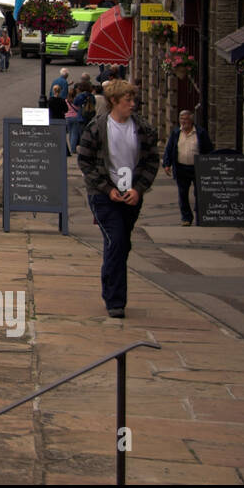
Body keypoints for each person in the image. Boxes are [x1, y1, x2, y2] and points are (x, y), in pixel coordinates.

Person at [76, 79, 161, 318]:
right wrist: (106, 189)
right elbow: (85, 161)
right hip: (104, 197)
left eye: (133, 100)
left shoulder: (142, 128)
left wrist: (139, 189)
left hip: (131, 195)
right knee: (117, 242)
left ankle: (112, 288)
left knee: (120, 244)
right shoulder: (97, 128)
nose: (132, 104)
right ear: (114, 101)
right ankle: (115, 301)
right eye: (128, 100)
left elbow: (151, 161)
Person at [162, 110, 215, 226]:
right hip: (181, 167)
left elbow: (209, 149)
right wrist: (167, 164)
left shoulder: (200, 133)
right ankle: (186, 218)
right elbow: (169, 148)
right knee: (183, 194)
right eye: (181, 119)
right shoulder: (176, 132)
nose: (183, 121)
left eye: (186, 119)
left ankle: (200, 217)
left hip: (197, 167)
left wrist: (209, 165)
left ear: (191, 120)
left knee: (199, 194)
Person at [68, 81, 95, 156]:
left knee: (81, 134)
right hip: (90, 117)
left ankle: (81, 149)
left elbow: (75, 103)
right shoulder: (91, 96)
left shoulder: (80, 96)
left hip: (81, 117)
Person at [47, 80, 70, 154]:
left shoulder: (50, 100)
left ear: (53, 91)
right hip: (60, 118)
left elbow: (48, 109)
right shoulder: (62, 100)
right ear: (60, 91)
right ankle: (66, 151)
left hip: (53, 118)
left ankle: (53, 149)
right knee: (62, 136)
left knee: (53, 135)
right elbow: (66, 109)